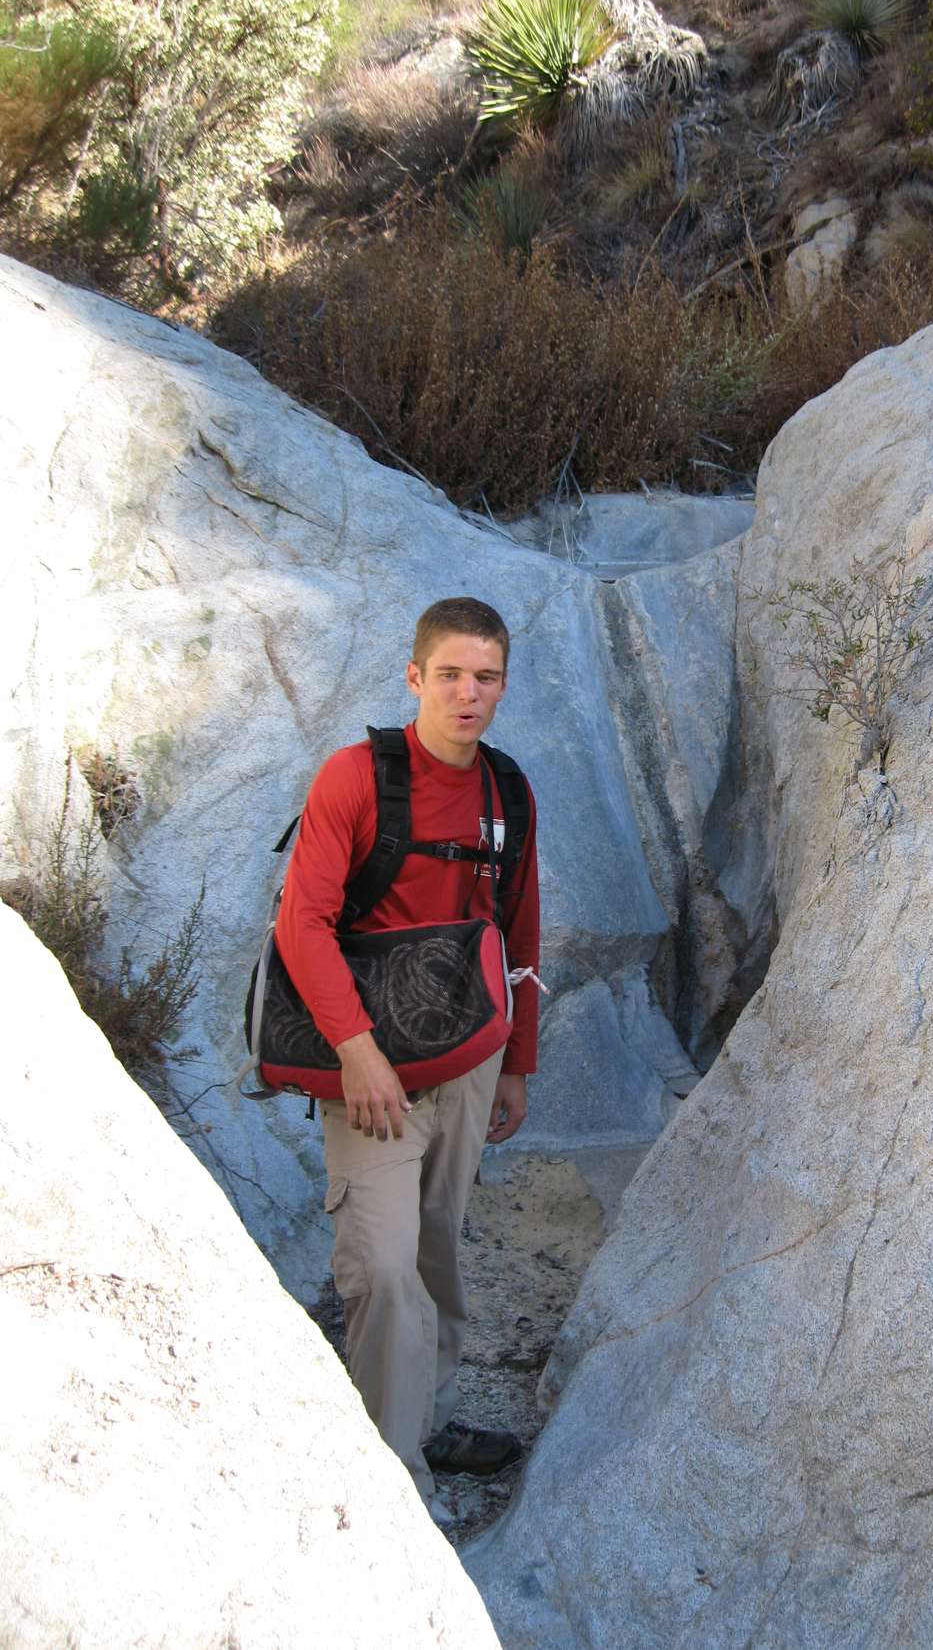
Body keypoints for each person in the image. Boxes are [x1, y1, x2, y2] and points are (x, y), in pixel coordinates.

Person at [274, 596, 539, 1516]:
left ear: (502, 686)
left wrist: (517, 1063)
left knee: (434, 1250)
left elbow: (519, 933)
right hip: (371, 1069)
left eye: (486, 678)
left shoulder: (507, 792)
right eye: (451, 675)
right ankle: (392, 1489)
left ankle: (425, 1419)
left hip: (468, 1063)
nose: (469, 694)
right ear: (414, 676)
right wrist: (356, 1052)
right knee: (381, 1264)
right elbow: (301, 924)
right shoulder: (356, 778)